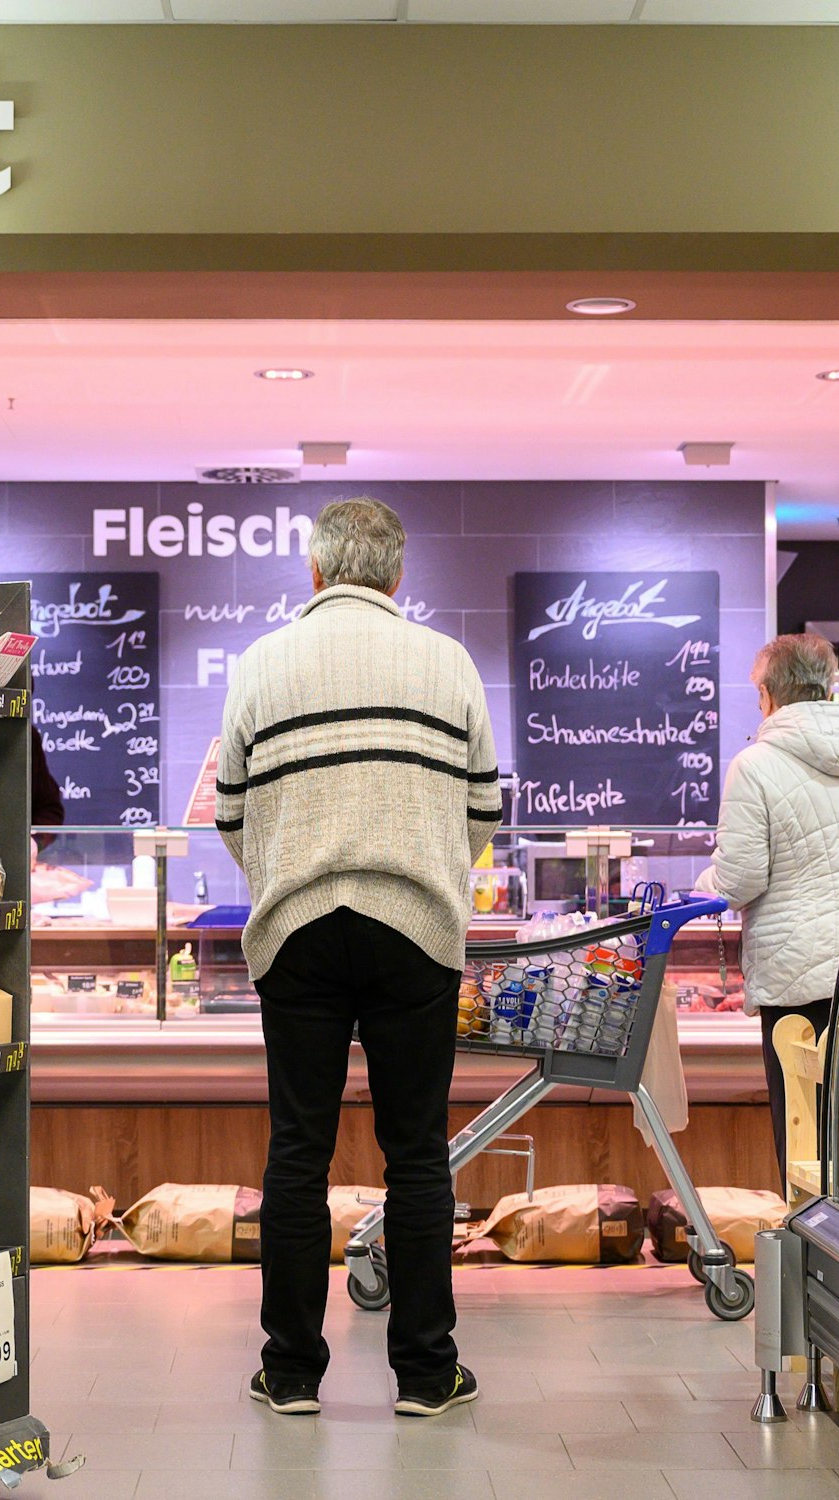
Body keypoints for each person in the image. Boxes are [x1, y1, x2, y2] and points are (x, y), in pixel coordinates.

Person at [215, 496, 500, 1419]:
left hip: (296, 929)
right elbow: (484, 811)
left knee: (297, 1150)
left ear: (314, 570)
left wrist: (285, 870)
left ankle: (291, 1371)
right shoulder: (447, 661)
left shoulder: (261, 663)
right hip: (416, 928)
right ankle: (425, 1373)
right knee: (416, 1155)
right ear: (397, 575)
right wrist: (428, 867)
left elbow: (229, 813)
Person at [697, 633, 839, 1188]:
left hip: (794, 979)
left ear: (767, 694)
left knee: (802, 1130)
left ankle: (804, 1233)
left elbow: (739, 880)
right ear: (827, 686)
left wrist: (698, 887)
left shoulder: (755, 765)